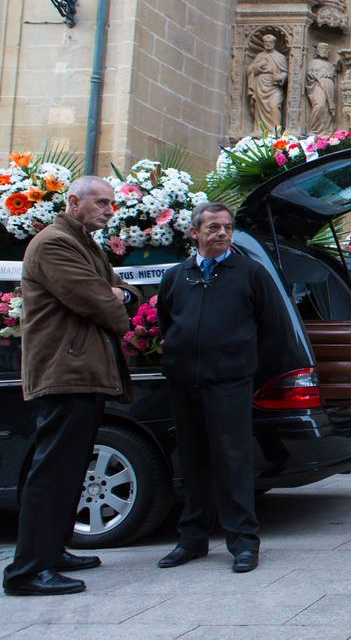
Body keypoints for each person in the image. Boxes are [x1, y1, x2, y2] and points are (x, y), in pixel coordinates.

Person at [3, 176, 137, 596]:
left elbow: (123, 291)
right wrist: (115, 301)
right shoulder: (54, 243)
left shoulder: (83, 243)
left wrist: (119, 295)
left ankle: (53, 550)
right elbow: (96, 298)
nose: (109, 211)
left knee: (71, 469)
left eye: (112, 204)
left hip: (81, 372)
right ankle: (27, 570)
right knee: (53, 472)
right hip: (65, 373)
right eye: (101, 203)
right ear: (74, 202)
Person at [155, 202, 296, 575]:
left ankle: (243, 542)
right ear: (194, 233)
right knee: (192, 460)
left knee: (234, 461)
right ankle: (192, 539)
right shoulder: (176, 276)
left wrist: (244, 369)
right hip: (185, 382)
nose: (222, 233)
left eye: (227, 228)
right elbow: (166, 322)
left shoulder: (250, 273)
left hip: (231, 383)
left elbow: (274, 330)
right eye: (214, 227)